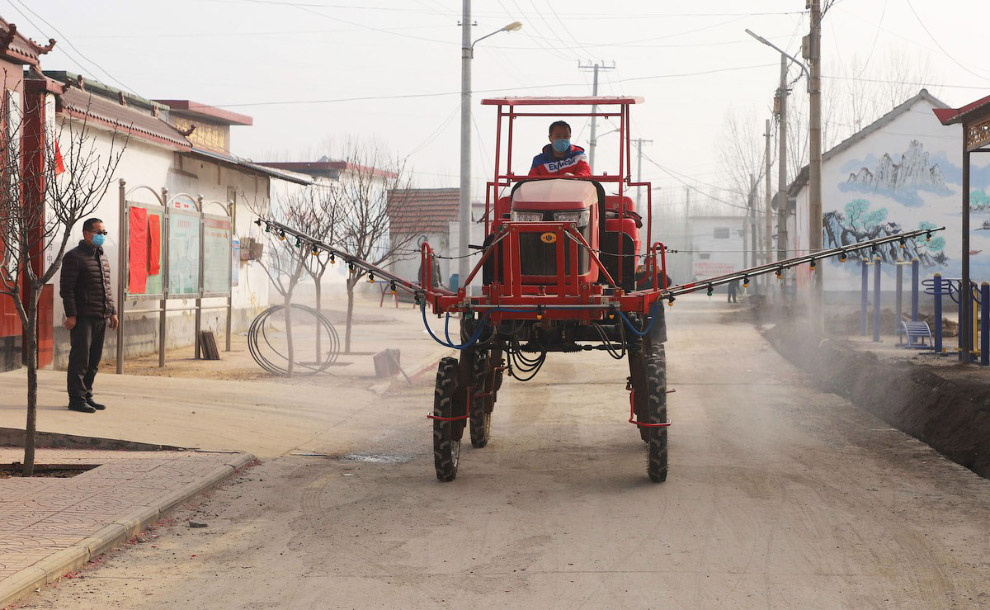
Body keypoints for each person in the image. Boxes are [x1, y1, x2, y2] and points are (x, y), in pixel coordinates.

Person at [60, 218, 118, 413]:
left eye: (104, 233)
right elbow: (67, 289)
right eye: (98, 232)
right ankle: (75, 399)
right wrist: (71, 315)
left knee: (93, 361)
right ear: (86, 233)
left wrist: (112, 312)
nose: (102, 236)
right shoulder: (73, 257)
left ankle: (87, 395)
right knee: (80, 360)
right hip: (83, 317)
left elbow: (106, 288)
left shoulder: (101, 256)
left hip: (100, 315)